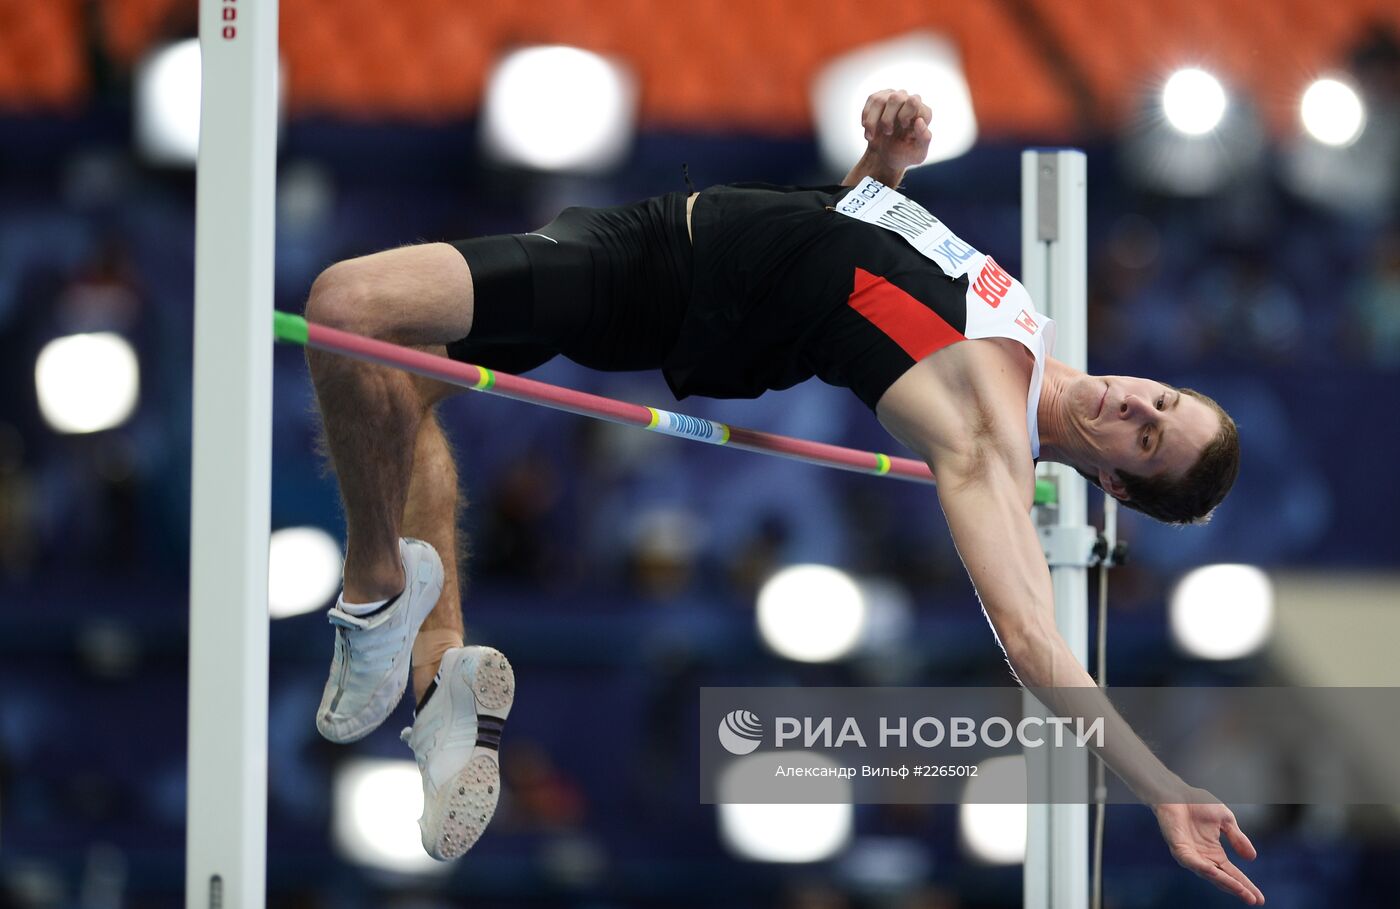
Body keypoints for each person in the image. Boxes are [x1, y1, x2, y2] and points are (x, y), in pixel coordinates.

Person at [302, 90, 1260, 903]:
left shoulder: (987, 439)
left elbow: (1035, 644)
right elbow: (855, 265)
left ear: (1112, 483)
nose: (1136, 404)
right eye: (1161, 400)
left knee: (350, 309)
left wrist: (1161, 784)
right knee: (400, 389)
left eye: (1146, 439)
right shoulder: (1030, 332)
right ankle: (441, 689)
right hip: (673, 237)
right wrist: (882, 168)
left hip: (659, 281)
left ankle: (378, 586)